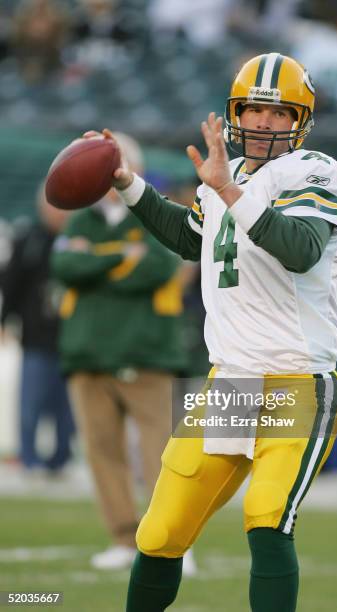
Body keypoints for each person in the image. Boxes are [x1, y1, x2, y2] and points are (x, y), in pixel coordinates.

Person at [85, 53, 337, 611]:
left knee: (266, 519)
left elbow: (302, 250)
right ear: (235, 112)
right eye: (253, 109)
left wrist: (229, 191)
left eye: (277, 113)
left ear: (300, 121)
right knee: (160, 533)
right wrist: (127, 184)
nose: (261, 122)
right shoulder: (222, 178)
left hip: (296, 382)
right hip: (230, 383)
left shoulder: (319, 172)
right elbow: (192, 240)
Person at [50, 133, 195, 572]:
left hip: (148, 352)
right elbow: (64, 267)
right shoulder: (80, 220)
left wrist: (97, 263)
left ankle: (172, 543)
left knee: (163, 456)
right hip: (88, 354)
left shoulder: (155, 213)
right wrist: (119, 259)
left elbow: (155, 266)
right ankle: (121, 538)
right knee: (102, 452)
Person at [0, 187, 74, 475]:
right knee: (30, 405)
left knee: (65, 409)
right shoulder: (29, 240)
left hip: (70, 341)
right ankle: (29, 460)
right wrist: (5, 321)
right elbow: (11, 284)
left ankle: (61, 460)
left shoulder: (76, 240)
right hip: (35, 338)